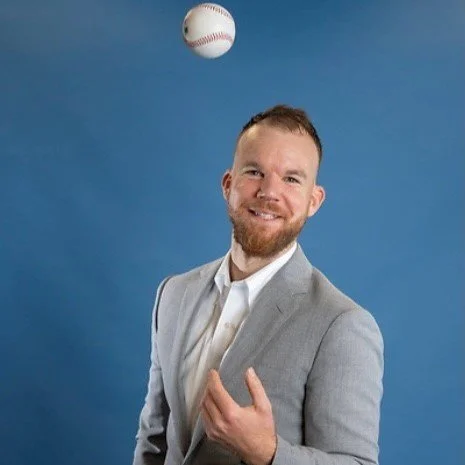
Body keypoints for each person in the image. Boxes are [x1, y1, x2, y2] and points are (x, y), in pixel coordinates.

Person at [132, 104, 384, 465]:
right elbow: (155, 439)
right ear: (228, 184)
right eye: (255, 172)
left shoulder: (342, 325)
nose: (269, 192)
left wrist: (269, 453)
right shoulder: (173, 294)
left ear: (314, 201)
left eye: (292, 179)